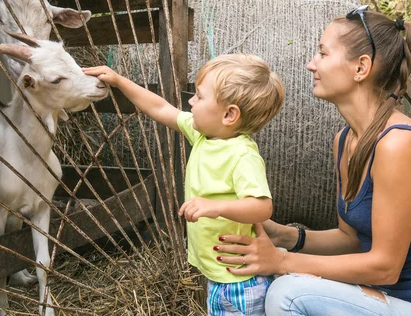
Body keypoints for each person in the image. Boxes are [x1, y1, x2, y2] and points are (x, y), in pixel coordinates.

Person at [213, 6, 411, 316]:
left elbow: (385, 267)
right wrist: (282, 236)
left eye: (323, 53)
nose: (311, 64)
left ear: (361, 67)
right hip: (386, 300)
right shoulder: (346, 140)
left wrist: (283, 262)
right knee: (271, 267)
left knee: (288, 293)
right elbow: (352, 239)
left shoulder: (398, 144)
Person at [83, 54, 285, 315]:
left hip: (240, 282)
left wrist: (215, 206)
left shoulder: (242, 155)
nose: (190, 101)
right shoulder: (203, 135)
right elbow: (160, 108)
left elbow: (262, 207)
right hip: (219, 274)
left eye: (199, 97)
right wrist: (120, 81)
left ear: (229, 114)